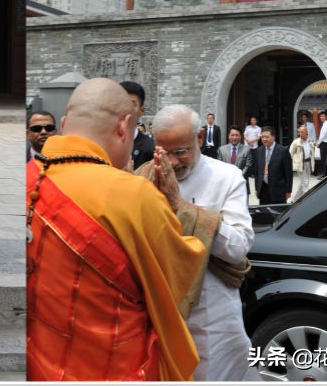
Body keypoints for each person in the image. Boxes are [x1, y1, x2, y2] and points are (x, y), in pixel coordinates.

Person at [26, 79, 205, 381]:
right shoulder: (133, 194)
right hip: (111, 366)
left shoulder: (29, 176)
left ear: (65, 124)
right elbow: (178, 272)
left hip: (36, 363)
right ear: (124, 128)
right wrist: (172, 208)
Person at [138, 105, 256, 381]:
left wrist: (180, 207)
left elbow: (238, 247)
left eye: (181, 151)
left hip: (211, 312)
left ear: (200, 137)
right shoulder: (143, 177)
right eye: (164, 151)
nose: (172, 162)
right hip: (157, 307)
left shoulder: (226, 177)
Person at [119, 81, 155, 170]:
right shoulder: (102, 145)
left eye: (132, 104)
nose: (125, 108)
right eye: (121, 103)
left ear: (141, 111)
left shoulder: (151, 149)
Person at [254, 126, 293, 204]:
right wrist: (257, 188)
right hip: (263, 189)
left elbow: (288, 173)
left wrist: (288, 191)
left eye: (267, 137)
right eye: (262, 137)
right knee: (264, 211)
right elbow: (257, 172)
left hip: (278, 190)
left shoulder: (283, 150)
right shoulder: (259, 150)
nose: (264, 139)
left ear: (273, 137)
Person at [288, 125, 315, 202]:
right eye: (299, 132)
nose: (300, 133)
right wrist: (293, 162)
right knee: (305, 183)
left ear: (306, 132)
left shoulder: (310, 141)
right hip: (300, 164)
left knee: (303, 182)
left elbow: (312, 153)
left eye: (302, 132)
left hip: (308, 163)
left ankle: (294, 200)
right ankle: (309, 200)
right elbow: (290, 153)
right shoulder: (296, 142)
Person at [315, 111, 327, 176]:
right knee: (324, 159)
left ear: (326, 117)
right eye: (320, 116)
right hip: (325, 143)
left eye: (323, 116)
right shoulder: (325, 124)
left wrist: (318, 143)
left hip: (325, 144)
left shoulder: (326, 124)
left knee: (324, 160)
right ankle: (325, 173)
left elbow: (323, 135)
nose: (321, 117)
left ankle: (324, 174)